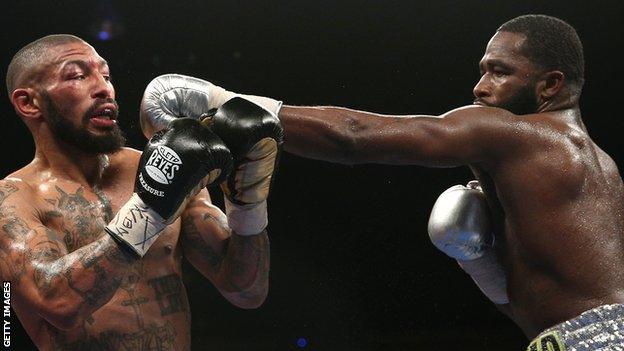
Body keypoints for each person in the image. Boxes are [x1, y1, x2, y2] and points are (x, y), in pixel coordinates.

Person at [141, 14, 624, 349]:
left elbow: (357, 137)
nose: (480, 88)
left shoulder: (514, 133)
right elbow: (549, 305)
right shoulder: (598, 166)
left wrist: (226, 101)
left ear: (550, 85)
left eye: (500, 72)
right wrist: (480, 263)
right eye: (481, 72)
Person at [0, 34, 282, 350]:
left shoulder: (164, 165)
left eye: (105, 75)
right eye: (78, 76)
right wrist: (150, 207)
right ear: (28, 102)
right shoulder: (12, 200)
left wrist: (247, 203)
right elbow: (59, 305)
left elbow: (246, 291)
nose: (104, 88)